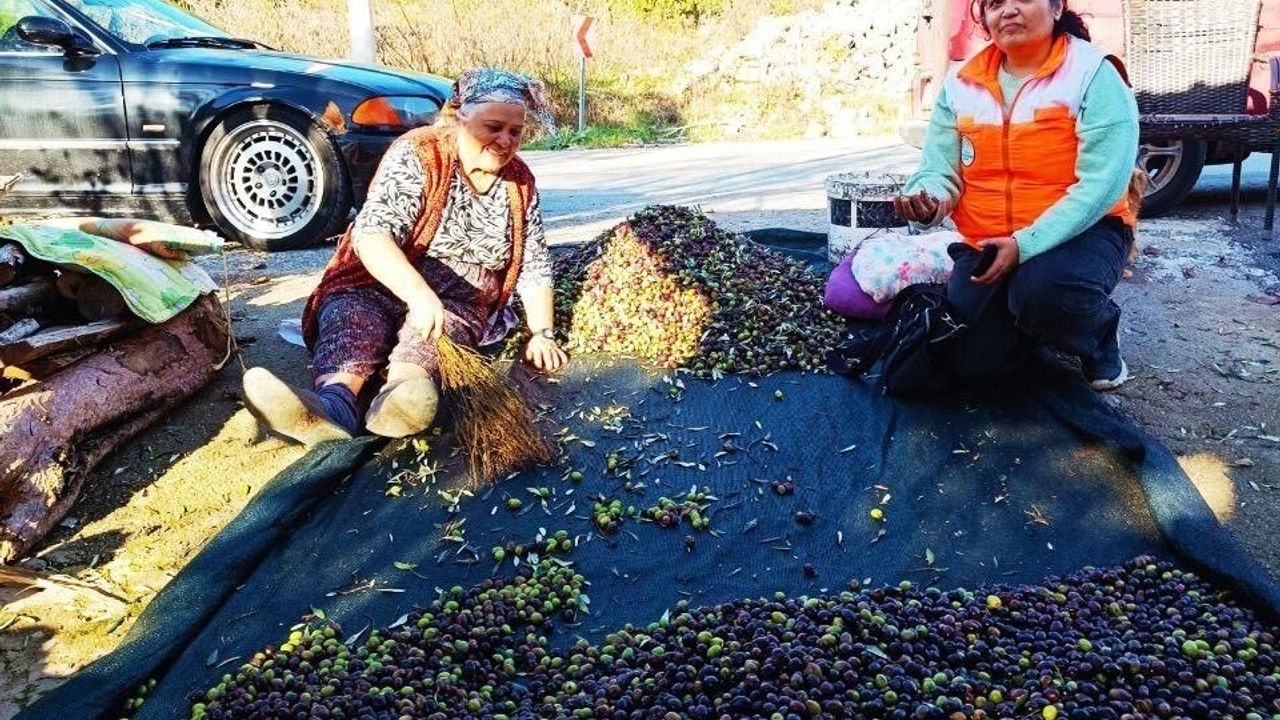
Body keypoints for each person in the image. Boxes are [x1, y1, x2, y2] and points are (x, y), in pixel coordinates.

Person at [243, 68, 568, 446]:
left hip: (458, 302)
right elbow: (373, 234)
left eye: (516, 132)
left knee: (432, 335)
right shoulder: (420, 152)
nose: (504, 141)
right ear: (459, 116)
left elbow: (534, 263)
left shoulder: (520, 182)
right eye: (493, 126)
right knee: (353, 318)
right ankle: (333, 407)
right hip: (378, 282)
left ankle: (399, 401)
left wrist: (542, 332)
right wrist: (417, 294)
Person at [894, 0, 1139, 391]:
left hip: (1083, 234)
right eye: (994, 4)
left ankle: (1099, 333)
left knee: (1043, 294)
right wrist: (928, 200)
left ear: (1057, 7)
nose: (1007, 11)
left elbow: (1101, 185)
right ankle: (1029, 324)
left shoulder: (1093, 74)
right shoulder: (961, 85)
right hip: (988, 244)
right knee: (968, 364)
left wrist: (1023, 246)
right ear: (986, 20)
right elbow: (939, 170)